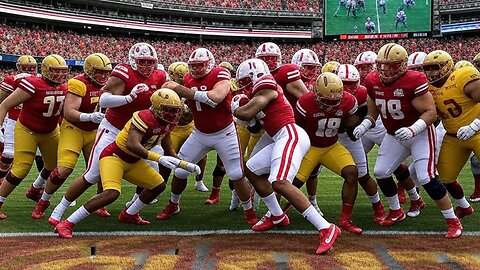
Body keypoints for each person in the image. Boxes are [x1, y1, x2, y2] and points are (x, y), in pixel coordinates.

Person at [48, 42, 167, 225]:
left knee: (154, 173)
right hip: (114, 129)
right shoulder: (123, 73)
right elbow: (104, 99)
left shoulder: (159, 76)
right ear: (133, 61)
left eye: (150, 62)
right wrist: (129, 97)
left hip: (138, 133)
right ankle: (59, 210)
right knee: (93, 174)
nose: (146, 66)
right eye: (142, 62)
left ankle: (131, 209)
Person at [54, 88, 200, 238]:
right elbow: (132, 144)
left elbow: (168, 149)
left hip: (133, 161)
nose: (173, 114)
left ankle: (130, 214)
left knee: (158, 186)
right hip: (115, 156)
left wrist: (185, 164)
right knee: (111, 193)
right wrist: (158, 158)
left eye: (175, 110)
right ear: (157, 108)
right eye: (169, 110)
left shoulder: (167, 123)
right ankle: (68, 223)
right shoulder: (143, 117)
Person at [353, 43, 462, 238]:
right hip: (393, 134)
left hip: (419, 134)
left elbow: (430, 112)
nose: (386, 70)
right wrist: (365, 124)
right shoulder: (372, 80)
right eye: (383, 65)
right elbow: (373, 111)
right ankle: (396, 211)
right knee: (381, 171)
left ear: (403, 65)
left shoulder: (414, 80)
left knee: (427, 177)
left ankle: (453, 220)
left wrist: (414, 129)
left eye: (392, 65)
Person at [233, 58, 340, 254]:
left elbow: (247, 113)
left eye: (246, 81)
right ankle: (277, 215)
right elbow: (254, 124)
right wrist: (242, 113)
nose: (244, 87)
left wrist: (236, 110)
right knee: (252, 169)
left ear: (256, 76)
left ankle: (326, 227)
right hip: (280, 137)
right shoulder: (259, 93)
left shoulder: (267, 86)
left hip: (290, 134)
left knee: (279, 181)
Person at [157, 48, 258, 225]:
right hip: (200, 133)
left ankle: (249, 210)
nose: (196, 69)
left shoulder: (220, 73)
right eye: (193, 66)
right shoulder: (188, 78)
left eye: (200, 65)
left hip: (224, 133)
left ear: (209, 63)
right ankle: (173, 204)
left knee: (236, 173)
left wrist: (181, 89)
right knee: (180, 170)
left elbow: (216, 97)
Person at [31, 53, 112, 220]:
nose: (103, 76)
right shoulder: (78, 84)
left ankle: (100, 203)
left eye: (106, 72)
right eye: (99, 71)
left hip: (94, 131)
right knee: (64, 170)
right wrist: (89, 117)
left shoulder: (110, 84)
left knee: (103, 168)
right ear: (89, 70)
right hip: (73, 128)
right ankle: (43, 201)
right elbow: (69, 113)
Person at [0, 54, 69, 219]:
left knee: (56, 167)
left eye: (62, 72)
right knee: (21, 168)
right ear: (45, 70)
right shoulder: (32, 84)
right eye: (55, 71)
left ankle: (35, 189)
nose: (59, 75)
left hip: (51, 131)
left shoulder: (66, 87)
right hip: (27, 130)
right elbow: (4, 105)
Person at [295, 72, 364, 234]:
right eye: (327, 101)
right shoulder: (305, 102)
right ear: (317, 93)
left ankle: (345, 219)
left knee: (352, 173)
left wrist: (351, 124)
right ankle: (276, 214)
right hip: (310, 146)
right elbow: (296, 126)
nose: (331, 105)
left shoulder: (348, 100)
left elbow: (351, 118)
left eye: (335, 101)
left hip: (331, 146)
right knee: (292, 183)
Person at [422, 50, 480, 219]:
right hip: (453, 137)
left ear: (447, 66)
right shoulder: (428, 88)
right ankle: (464, 206)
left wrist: (474, 125)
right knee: (446, 177)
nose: (431, 72)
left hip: (477, 132)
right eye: (428, 68)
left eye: (435, 67)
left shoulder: (463, 76)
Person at [166, 61, 209, 194]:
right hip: (174, 129)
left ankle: (199, 181)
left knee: (202, 156)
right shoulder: (167, 90)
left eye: (182, 75)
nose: (180, 78)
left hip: (190, 126)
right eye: (177, 75)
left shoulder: (192, 87)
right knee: (168, 158)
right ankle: (159, 185)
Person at [0, 55, 38, 184]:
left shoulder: (40, 80)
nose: (28, 70)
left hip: (35, 121)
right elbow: (1, 101)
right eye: (25, 68)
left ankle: (40, 186)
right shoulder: (11, 80)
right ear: (19, 67)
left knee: (42, 157)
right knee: (9, 154)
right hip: (13, 119)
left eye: (31, 68)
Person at [255, 42, 309, 108]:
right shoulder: (255, 76)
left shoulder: (285, 71)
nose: (269, 62)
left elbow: (306, 99)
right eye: (264, 59)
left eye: (272, 58)